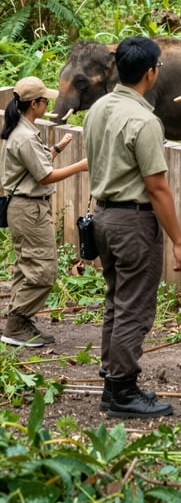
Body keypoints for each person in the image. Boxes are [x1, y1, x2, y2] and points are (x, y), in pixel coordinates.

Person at [83, 36, 181, 419]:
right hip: (133, 222)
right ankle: (123, 391)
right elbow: (157, 188)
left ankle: (112, 384)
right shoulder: (144, 121)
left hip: (104, 218)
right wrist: (178, 241)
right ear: (150, 73)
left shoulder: (97, 110)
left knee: (116, 301)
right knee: (135, 309)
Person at [0, 77, 88, 347]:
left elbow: (34, 165)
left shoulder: (23, 131)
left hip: (25, 207)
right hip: (29, 209)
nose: (47, 103)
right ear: (34, 104)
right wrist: (81, 165)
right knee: (43, 270)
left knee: (27, 266)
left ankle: (19, 320)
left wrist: (58, 148)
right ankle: (16, 323)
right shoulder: (24, 136)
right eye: (44, 100)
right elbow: (45, 177)